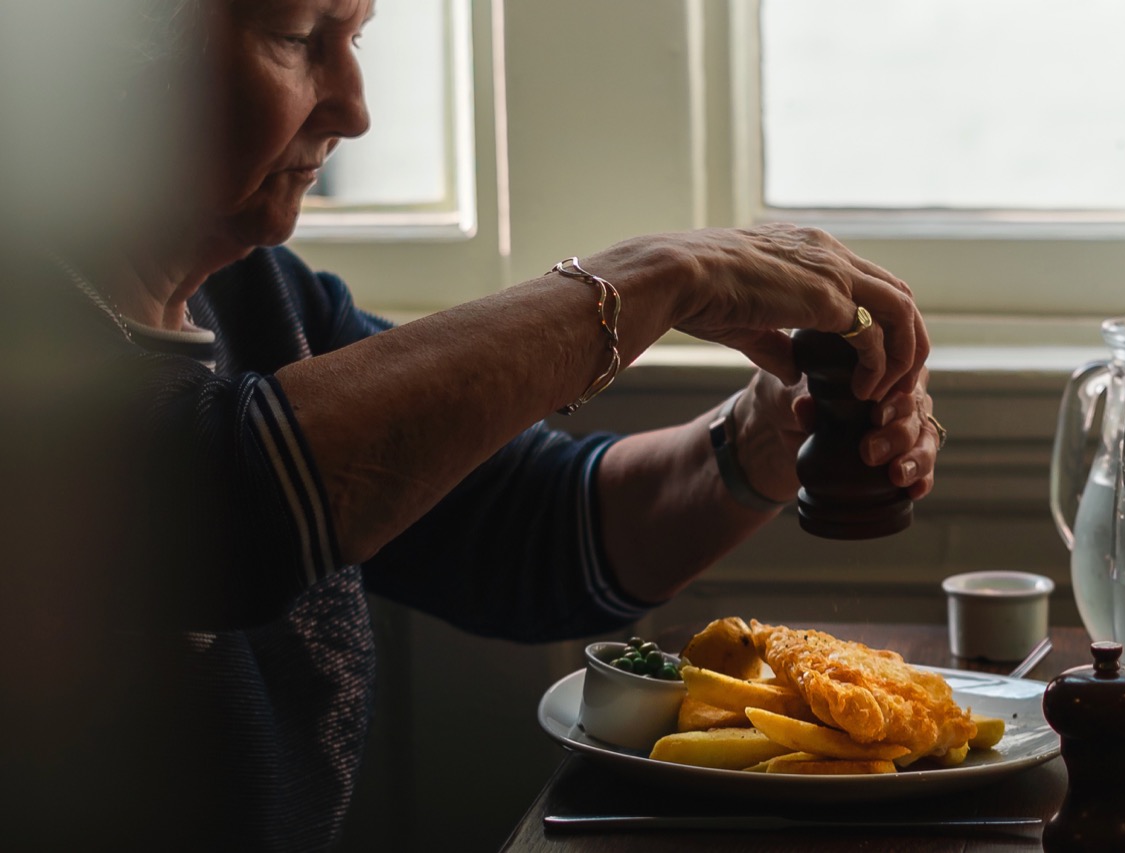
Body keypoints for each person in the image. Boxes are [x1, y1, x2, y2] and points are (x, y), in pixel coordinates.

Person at [0, 0, 941, 849]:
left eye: (355, 37)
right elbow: (211, 502)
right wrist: (652, 277)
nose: (354, 107)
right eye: (297, 37)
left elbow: (521, 526)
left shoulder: (257, 296)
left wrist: (765, 438)